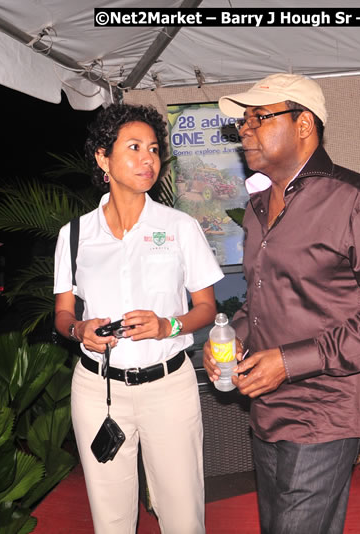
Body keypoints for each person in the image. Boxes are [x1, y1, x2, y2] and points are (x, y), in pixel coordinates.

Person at [204, 73, 360, 533]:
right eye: (243, 121)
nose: (245, 129)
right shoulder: (259, 208)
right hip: (265, 405)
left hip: (325, 408)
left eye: (259, 118)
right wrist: (232, 338)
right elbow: (262, 300)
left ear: (304, 124)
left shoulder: (359, 203)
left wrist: (290, 361)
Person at [53, 104, 222, 533]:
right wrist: (80, 331)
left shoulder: (180, 226)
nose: (148, 159)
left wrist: (169, 326)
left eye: (153, 149)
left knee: (183, 515)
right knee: (111, 518)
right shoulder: (74, 236)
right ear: (102, 158)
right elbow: (62, 316)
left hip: (169, 387)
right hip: (97, 389)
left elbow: (206, 308)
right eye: (134, 148)